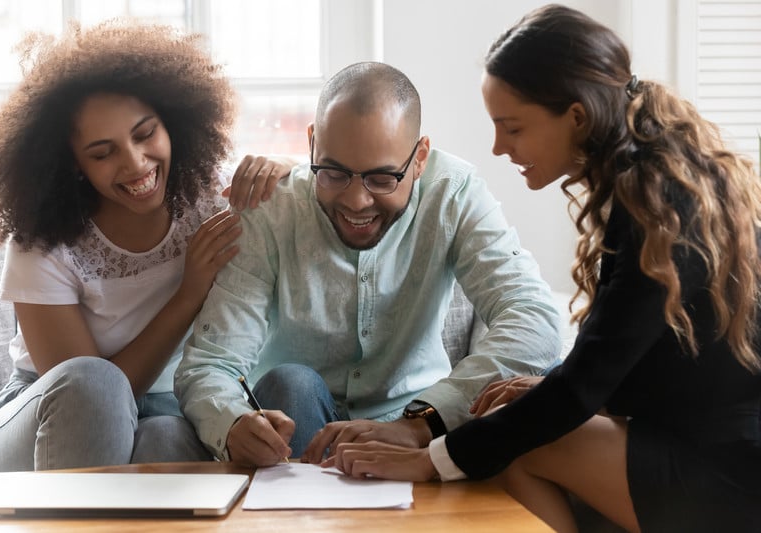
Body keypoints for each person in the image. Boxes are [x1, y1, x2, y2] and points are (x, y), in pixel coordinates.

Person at [326, 5, 761, 533]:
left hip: (728, 473)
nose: (497, 147)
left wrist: (430, 458)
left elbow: (586, 388)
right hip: (704, 442)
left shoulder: (658, 209)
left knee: (517, 448)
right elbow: (622, 364)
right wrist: (547, 385)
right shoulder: (655, 182)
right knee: (508, 419)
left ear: (576, 117)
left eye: (512, 127)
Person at [175, 60, 563, 467]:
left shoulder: (455, 193)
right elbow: (212, 361)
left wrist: (425, 418)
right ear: (311, 146)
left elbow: (533, 316)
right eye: (334, 173)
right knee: (293, 383)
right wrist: (233, 423)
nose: (357, 202)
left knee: (543, 382)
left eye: (381, 179)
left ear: (420, 158)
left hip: (415, 422)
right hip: (295, 420)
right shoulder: (271, 209)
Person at [0, 20, 291, 472]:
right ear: (73, 165)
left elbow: (305, 188)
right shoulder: (43, 239)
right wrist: (189, 294)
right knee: (94, 383)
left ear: (173, 124)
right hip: (46, 414)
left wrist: (281, 165)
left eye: (145, 133)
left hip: (168, 408)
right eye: (102, 153)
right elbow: (97, 396)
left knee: (167, 436)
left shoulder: (209, 196)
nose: (136, 164)